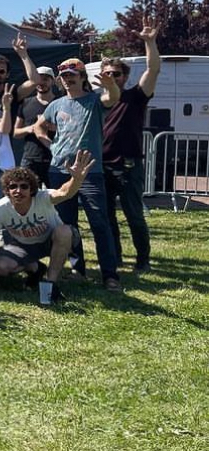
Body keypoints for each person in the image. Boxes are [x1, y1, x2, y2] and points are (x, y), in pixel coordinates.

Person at [35, 58, 122, 291]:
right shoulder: (56, 104)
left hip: (90, 172)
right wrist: (50, 145)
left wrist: (111, 85)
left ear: (83, 77)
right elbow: (38, 126)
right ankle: (77, 270)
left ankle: (110, 275)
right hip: (59, 171)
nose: (68, 79)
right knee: (67, 224)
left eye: (72, 75)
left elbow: (112, 98)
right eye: (64, 76)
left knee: (99, 222)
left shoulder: (94, 100)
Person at [0, 154, 94, 300]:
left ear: (32, 189)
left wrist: (76, 179)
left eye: (24, 186)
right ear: (7, 190)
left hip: (50, 242)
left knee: (64, 231)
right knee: (1, 267)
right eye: (13, 187)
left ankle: (51, 283)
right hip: (21, 245)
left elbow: (64, 192)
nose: (18, 191)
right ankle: (36, 268)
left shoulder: (43, 198)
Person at [100, 23, 160, 272]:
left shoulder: (136, 96)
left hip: (128, 165)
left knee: (134, 215)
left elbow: (153, 69)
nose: (112, 77)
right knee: (107, 217)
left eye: (116, 74)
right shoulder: (96, 101)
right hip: (101, 166)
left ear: (125, 77)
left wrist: (150, 42)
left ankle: (143, 260)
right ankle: (115, 258)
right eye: (107, 73)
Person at [14, 66, 58, 187]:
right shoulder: (25, 103)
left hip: (55, 158)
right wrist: (31, 128)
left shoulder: (61, 103)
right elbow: (15, 132)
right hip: (30, 159)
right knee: (27, 193)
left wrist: (52, 128)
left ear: (52, 81)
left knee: (57, 195)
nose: (41, 83)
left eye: (45, 79)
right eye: (38, 79)